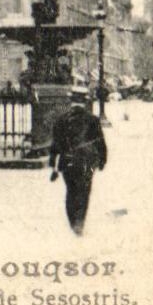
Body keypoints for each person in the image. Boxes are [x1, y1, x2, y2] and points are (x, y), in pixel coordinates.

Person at [48, 84, 107, 235]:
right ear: (85, 100)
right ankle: (80, 221)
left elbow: (55, 144)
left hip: (67, 162)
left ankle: (73, 220)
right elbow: (100, 141)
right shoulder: (92, 120)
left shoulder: (61, 120)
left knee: (71, 191)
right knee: (84, 191)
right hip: (87, 161)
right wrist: (102, 160)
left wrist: (53, 165)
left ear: (71, 100)